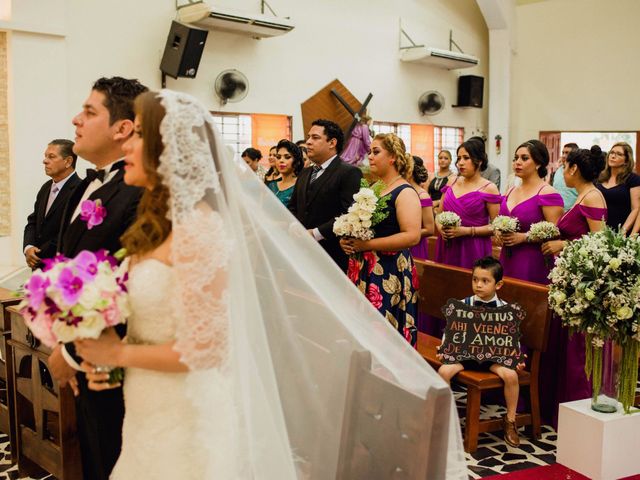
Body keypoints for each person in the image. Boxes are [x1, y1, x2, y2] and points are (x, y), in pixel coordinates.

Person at [70, 90, 468, 479]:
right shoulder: (158, 224)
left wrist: (118, 353)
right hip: (150, 402)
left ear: (167, 148)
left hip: (186, 408)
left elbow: (206, 346)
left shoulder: (201, 230)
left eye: (138, 134)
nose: (127, 143)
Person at [47, 77, 147, 480]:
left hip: (117, 371)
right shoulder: (87, 188)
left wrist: (72, 354)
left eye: (89, 112)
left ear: (122, 129)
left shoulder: (138, 192)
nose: (76, 120)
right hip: (90, 358)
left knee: (115, 461)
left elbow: (135, 290)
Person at [540, 146, 607, 425]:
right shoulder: (583, 194)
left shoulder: (592, 197)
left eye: (565, 166)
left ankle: (575, 406)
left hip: (580, 284)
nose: (561, 171)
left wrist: (562, 243)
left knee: (576, 349)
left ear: (574, 169)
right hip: (567, 279)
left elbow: (600, 242)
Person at [340, 133, 422, 346]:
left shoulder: (404, 192)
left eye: (376, 152)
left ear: (393, 157)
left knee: (384, 336)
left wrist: (367, 245)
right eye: (370, 152)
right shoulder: (375, 189)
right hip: (364, 266)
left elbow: (412, 236)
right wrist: (349, 239)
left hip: (389, 270)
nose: (370, 157)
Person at [437, 256, 525, 447]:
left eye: (485, 281)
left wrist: (515, 356)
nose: (478, 285)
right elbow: (451, 330)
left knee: (511, 376)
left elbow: (511, 338)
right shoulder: (463, 304)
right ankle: (444, 418)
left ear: (498, 284)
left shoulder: (505, 310)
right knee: (444, 371)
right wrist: (445, 348)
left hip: (492, 358)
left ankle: (510, 420)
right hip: (466, 355)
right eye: (475, 279)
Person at [288, 119, 362, 272]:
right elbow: (294, 206)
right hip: (301, 250)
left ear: (332, 142)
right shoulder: (305, 172)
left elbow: (348, 213)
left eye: (315, 138)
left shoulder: (348, 172)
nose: (308, 142)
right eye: (308, 137)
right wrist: (293, 225)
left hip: (331, 252)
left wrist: (316, 233)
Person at [496, 140, 563, 284]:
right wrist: (498, 232)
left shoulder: (548, 193)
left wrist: (524, 237)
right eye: (516, 158)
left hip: (533, 259)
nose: (517, 162)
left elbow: (556, 232)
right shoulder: (511, 191)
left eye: (524, 158)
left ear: (538, 163)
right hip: (507, 257)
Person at [435, 139, 501, 269]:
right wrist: (440, 228)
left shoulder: (489, 188)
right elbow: (439, 214)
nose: (461, 163)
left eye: (466, 158)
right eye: (459, 158)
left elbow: (496, 226)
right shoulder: (451, 182)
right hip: (447, 244)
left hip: (473, 246)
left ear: (479, 160)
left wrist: (466, 231)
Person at [23, 139, 81, 269]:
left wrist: (39, 255)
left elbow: (69, 232)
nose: (45, 161)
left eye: (51, 157)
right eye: (45, 156)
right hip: (39, 266)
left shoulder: (80, 190)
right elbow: (33, 221)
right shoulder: (46, 187)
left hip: (62, 267)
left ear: (68, 162)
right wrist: (29, 247)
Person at [596, 141, 640, 234]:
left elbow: (636, 209)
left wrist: (623, 231)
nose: (613, 156)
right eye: (611, 153)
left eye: (619, 154)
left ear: (626, 161)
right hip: (601, 231)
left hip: (623, 231)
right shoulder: (601, 177)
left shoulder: (633, 179)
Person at [408, 155, 435, 260]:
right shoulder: (402, 192)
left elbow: (429, 229)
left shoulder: (422, 195)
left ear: (410, 171)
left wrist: (406, 235)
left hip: (415, 245)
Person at [266, 139, 304, 206]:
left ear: (297, 162)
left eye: (287, 157)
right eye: (278, 157)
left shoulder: (301, 186)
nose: (281, 160)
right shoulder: (271, 185)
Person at [551, 142, 579, 211]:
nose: (563, 155)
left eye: (567, 153)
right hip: (556, 211)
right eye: (563, 152)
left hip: (573, 212)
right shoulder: (558, 171)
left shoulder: (579, 172)